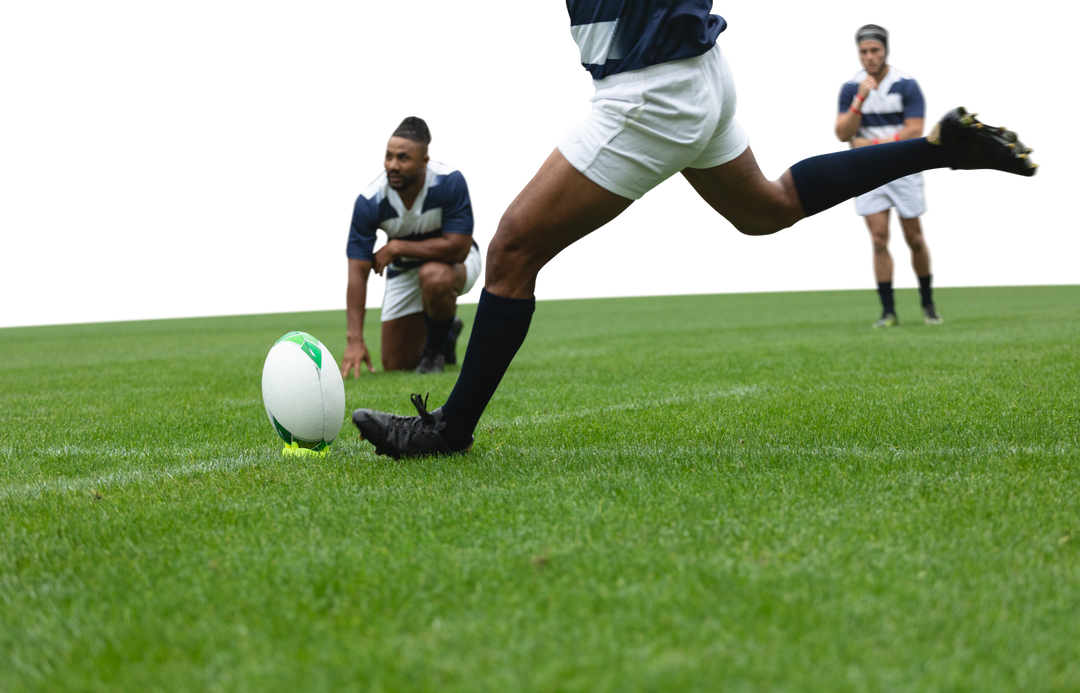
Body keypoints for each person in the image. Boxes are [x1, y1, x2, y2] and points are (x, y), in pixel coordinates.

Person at [351, 1, 1042, 459]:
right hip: (699, 73)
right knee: (763, 210)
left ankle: (450, 429)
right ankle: (938, 149)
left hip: (652, 88)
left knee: (510, 252)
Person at [340, 114, 484, 376]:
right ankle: (446, 332)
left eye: (403, 158)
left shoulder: (450, 180)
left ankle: (434, 353)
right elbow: (356, 269)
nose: (391, 165)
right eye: (387, 156)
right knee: (397, 363)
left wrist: (397, 248)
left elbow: (458, 248)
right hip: (405, 271)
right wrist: (354, 339)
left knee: (434, 277)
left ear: (424, 160)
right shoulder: (368, 199)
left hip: (457, 263)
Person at [830, 22, 941, 327]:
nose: (868, 56)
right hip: (865, 171)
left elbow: (916, 131)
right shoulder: (849, 87)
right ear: (855, 54)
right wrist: (860, 101)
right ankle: (888, 311)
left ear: (887, 51)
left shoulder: (909, 83)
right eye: (862, 51)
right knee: (878, 238)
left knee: (915, 238)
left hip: (905, 170)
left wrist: (870, 144)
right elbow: (841, 133)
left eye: (874, 50)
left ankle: (928, 304)